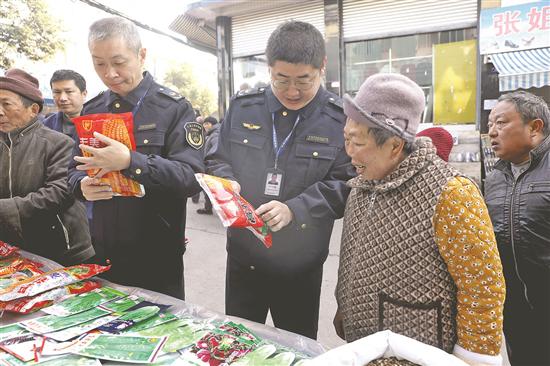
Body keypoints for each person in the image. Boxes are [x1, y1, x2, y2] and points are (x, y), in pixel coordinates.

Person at [334, 73, 505, 365]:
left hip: (419, 354)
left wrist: (472, 359)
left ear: (394, 146)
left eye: (357, 143)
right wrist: (344, 305)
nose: (348, 152)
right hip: (364, 349)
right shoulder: (363, 185)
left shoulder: (450, 192)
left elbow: (482, 285)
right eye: (346, 139)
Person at [206, 20, 354, 339]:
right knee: (239, 345)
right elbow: (217, 157)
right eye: (281, 79)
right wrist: (225, 182)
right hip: (245, 262)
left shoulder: (339, 119)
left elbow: (346, 183)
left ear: (322, 67)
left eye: (304, 80)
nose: (292, 91)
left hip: (300, 267)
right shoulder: (243, 108)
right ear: (268, 67)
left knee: (296, 348)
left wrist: (296, 209)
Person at [67, 17, 204, 299]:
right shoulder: (91, 110)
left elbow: (191, 179)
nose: (110, 73)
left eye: (119, 62)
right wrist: (81, 186)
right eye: (100, 63)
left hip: (156, 256)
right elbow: (72, 170)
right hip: (102, 252)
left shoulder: (174, 109)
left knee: (160, 337)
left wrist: (131, 161)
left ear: (141, 55)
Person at [0, 68, 94, 265]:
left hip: (62, 251)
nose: (0, 112)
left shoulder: (59, 143)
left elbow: (60, 192)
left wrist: (6, 208)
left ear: (33, 110)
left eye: (6, 104)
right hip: (16, 250)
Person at [485, 91, 550, 365]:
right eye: (490, 125)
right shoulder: (494, 179)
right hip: (514, 313)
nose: (492, 133)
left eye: (501, 123)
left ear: (534, 128)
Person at [43, 69, 87, 137]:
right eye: (57, 92)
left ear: (84, 94)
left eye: (69, 92)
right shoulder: (46, 126)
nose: (62, 98)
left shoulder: (101, 122)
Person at [197, 116, 220, 215]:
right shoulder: (212, 134)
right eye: (204, 123)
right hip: (210, 165)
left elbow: (216, 150)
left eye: (207, 123)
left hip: (211, 166)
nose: (205, 125)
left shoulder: (215, 135)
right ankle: (208, 208)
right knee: (208, 188)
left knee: (210, 188)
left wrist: (209, 161)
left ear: (212, 124)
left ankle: (209, 209)